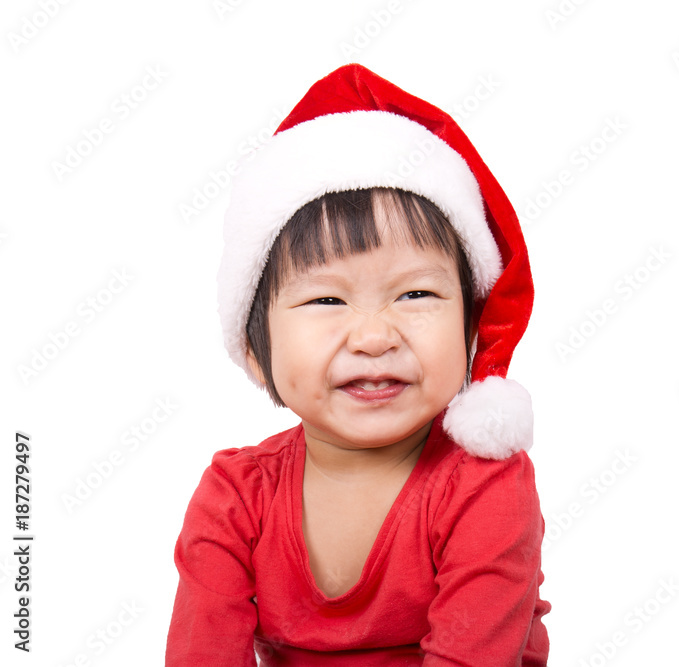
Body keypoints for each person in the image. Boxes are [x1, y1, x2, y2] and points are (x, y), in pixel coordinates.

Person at [165, 64, 549, 665]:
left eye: (416, 295)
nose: (374, 336)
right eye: (325, 299)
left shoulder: (485, 486)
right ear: (253, 350)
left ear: (471, 330)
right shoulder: (236, 497)